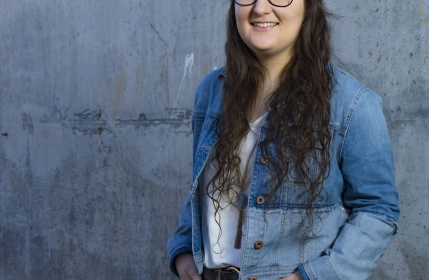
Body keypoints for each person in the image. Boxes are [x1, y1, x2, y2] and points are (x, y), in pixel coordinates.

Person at [166, 0, 400, 279]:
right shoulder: (211, 91)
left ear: (308, 7)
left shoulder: (352, 104)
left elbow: (377, 210)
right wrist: (182, 248)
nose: (260, 8)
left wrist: (313, 276)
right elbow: (201, 188)